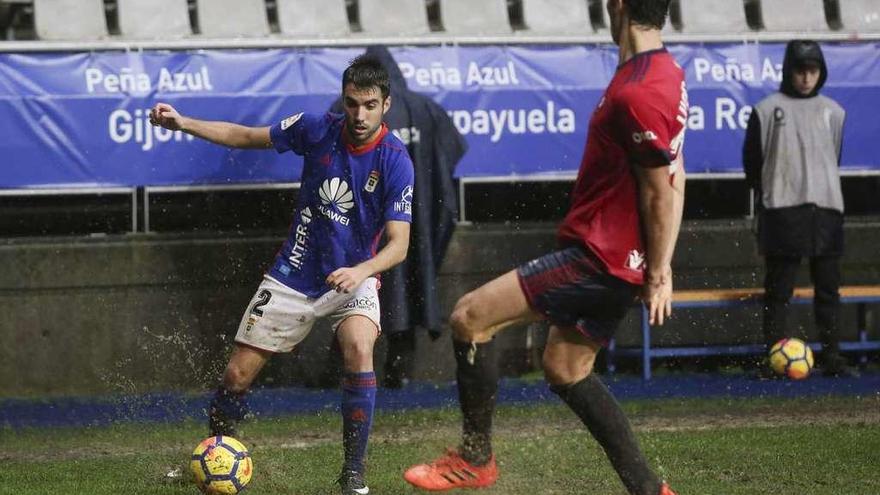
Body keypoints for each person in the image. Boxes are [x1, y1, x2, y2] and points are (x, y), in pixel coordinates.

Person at [403, 1, 685, 494]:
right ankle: (649, 488)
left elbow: (659, 189)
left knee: (470, 317)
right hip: (622, 260)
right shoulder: (665, 73)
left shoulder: (637, 91)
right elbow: (676, 175)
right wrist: (657, 265)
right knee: (566, 367)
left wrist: (659, 271)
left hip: (599, 258)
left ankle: (475, 458)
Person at [149, 54, 414, 495]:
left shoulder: (395, 160)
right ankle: (214, 456)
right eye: (352, 104)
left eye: (369, 105)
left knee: (359, 349)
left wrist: (362, 271)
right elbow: (244, 136)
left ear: (385, 104)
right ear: (343, 100)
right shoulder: (316, 129)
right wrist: (183, 123)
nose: (360, 114)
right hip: (293, 273)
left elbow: (399, 244)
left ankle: (353, 476)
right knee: (236, 376)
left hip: (354, 276)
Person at [329, 45, 468, 389]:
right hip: (417, 220)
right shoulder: (426, 109)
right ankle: (399, 371)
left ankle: (345, 372)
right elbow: (451, 157)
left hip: (363, 225)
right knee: (412, 284)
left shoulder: (345, 109)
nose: (361, 112)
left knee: (354, 289)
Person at [743, 40, 853, 378]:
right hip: (783, 210)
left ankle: (833, 356)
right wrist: (771, 195)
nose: (806, 77)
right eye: (800, 70)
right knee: (778, 291)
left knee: (829, 289)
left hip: (826, 209)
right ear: (788, 71)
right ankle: (775, 357)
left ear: (820, 73)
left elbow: (833, 156)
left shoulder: (834, 111)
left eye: (812, 70)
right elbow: (753, 163)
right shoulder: (766, 110)